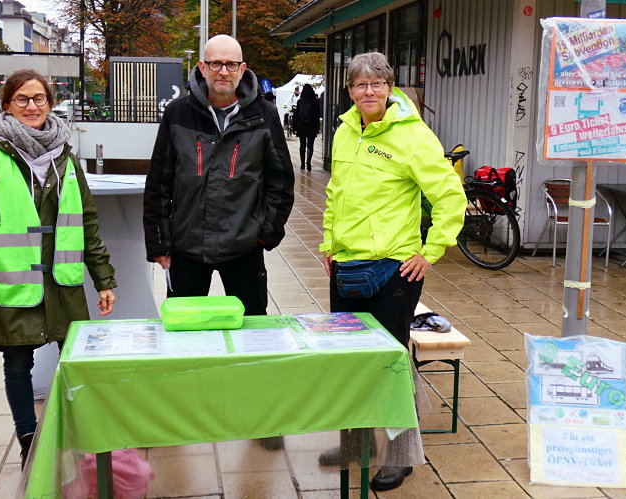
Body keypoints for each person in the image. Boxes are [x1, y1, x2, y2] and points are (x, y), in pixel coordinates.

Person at [0, 69, 117, 469]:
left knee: (76, 362)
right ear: (7, 104)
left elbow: (87, 224)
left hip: (62, 283)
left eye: (39, 98)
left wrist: (104, 278)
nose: (32, 107)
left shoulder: (66, 158)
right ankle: (28, 439)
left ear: (50, 103)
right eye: (22, 99)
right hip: (15, 285)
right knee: (17, 365)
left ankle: (81, 435)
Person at [318, 52, 466, 491]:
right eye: (360, 85)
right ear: (349, 91)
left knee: (393, 363)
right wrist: (329, 243)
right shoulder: (345, 132)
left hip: (393, 269)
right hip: (347, 266)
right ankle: (353, 448)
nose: (369, 92)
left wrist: (431, 250)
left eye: (377, 84)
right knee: (349, 361)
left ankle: (400, 456)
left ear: (390, 87)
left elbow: (449, 195)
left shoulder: (412, 135)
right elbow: (336, 193)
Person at [144, 35, 294, 448]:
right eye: (215, 64)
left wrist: (265, 232)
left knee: (255, 332)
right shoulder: (177, 114)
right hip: (187, 246)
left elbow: (280, 181)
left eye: (231, 64)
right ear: (202, 67)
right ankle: (176, 416)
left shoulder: (263, 116)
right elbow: (158, 181)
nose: (223, 71)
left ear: (243, 69)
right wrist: (159, 242)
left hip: (243, 247)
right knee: (182, 334)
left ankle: (262, 416)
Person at [293, 84, 321, 171]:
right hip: (311, 125)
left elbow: (296, 115)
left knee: (302, 144)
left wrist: (295, 127)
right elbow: (317, 115)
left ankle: (302, 163)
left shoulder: (300, 101)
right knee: (310, 144)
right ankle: (308, 162)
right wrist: (317, 127)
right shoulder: (315, 101)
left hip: (301, 125)